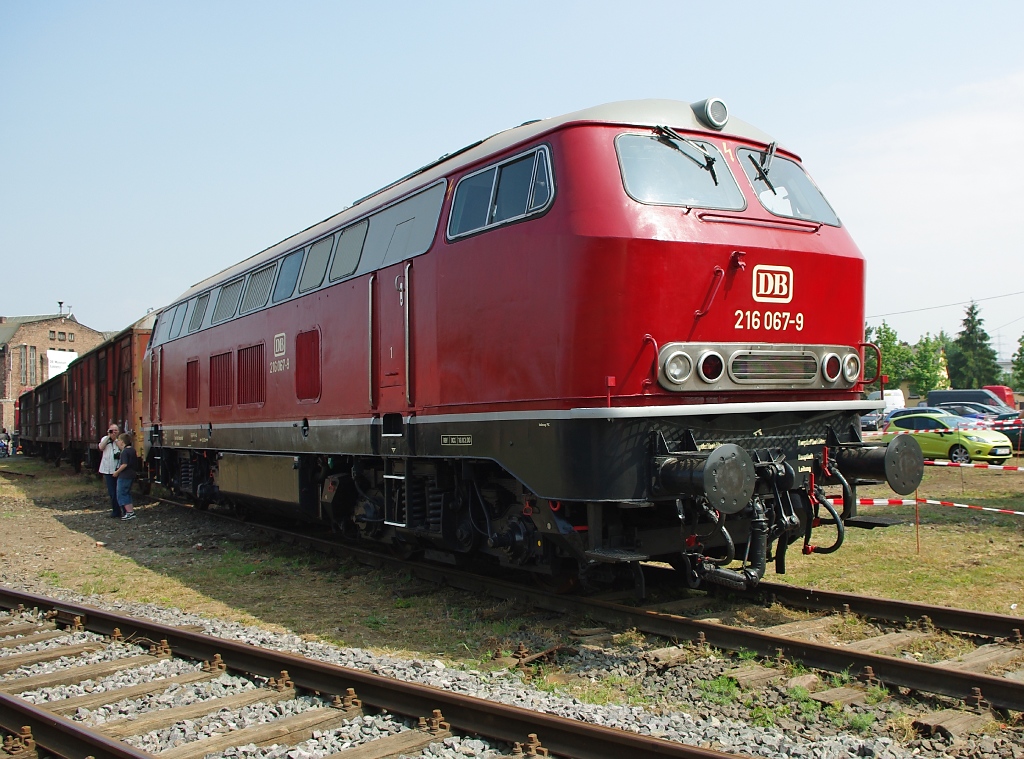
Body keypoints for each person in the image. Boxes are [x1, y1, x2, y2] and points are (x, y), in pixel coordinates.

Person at [98, 424, 122, 518]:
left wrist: (115, 439)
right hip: (108, 470)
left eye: (116, 430)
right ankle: (116, 511)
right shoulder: (105, 439)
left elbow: (122, 448)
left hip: (118, 469)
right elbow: (101, 447)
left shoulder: (120, 439)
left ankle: (122, 510)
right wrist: (109, 437)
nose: (114, 432)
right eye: (112, 430)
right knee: (112, 492)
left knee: (119, 491)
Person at [112, 432, 137, 520]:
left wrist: (117, 472)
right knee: (127, 493)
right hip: (131, 474)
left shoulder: (125, 452)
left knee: (122, 493)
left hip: (124, 475)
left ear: (122, 442)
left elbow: (124, 464)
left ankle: (129, 512)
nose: (117, 442)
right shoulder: (132, 450)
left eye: (118, 440)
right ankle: (130, 511)